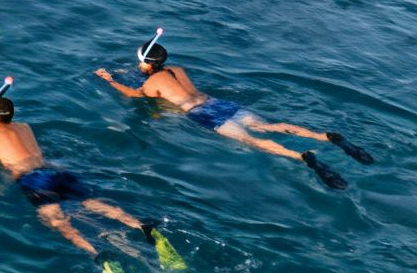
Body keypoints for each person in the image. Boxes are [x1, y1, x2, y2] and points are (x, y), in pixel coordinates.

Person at [0, 79, 154, 273]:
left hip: (33, 180)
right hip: (55, 172)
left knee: (56, 221)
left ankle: (96, 255)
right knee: (92, 203)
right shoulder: (25, 126)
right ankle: (139, 225)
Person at [95, 28, 373, 190]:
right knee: (269, 126)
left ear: (145, 63)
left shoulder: (152, 82)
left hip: (201, 115)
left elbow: (134, 94)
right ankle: (327, 137)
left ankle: (304, 157)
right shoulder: (178, 68)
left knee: (252, 141)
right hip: (217, 104)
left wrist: (109, 79)